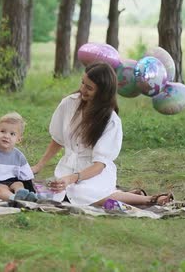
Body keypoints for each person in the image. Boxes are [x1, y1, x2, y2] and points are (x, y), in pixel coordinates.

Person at [31, 62, 173, 207]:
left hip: (96, 172)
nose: (82, 89)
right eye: (83, 83)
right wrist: (38, 166)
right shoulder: (69, 103)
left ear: (102, 92)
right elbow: (57, 139)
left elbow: (99, 165)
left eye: (89, 88)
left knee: (81, 195)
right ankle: (122, 194)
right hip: (68, 168)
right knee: (59, 195)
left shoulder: (111, 121)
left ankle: (149, 199)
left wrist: (71, 179)